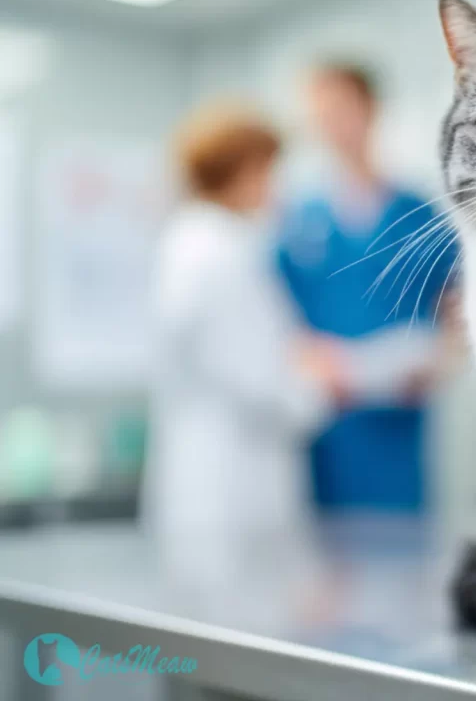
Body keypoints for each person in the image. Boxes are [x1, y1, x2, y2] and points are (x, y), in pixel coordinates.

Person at [145, 103, 341, 584]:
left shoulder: (191, 242)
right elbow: (259, 378)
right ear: (244, 170)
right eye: (271, 170)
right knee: (236, 620)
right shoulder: (219, 252)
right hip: (235, 482)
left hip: (209, 473)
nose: (276, 185)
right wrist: (317, 387)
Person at [277, 61, 460, 514]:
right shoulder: (296, 219)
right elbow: (279, 321)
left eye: (341, 109)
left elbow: (460, 311)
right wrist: (313, 360)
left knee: (398, 562)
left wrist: (438, 363)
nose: (331, 126)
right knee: (324, 565)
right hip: (323, 426)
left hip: (398, 425)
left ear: (371, 110)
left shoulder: (417, 213)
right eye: (320, 115)